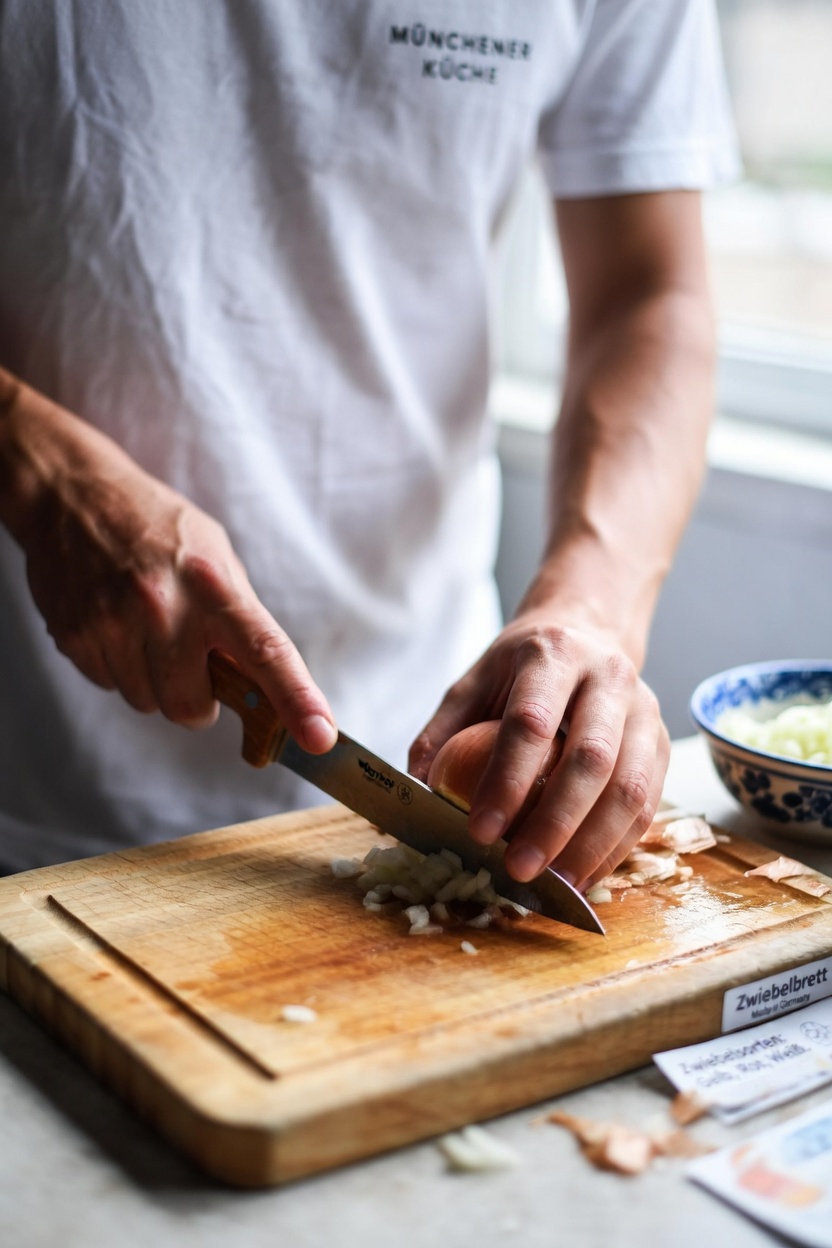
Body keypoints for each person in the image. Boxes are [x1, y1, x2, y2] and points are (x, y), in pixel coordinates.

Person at [0, 2, 738, 885]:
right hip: (29, 791)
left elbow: (647, 295)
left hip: (417, 769)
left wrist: (589, 605)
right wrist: (33, 466)